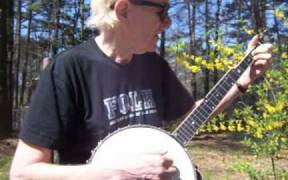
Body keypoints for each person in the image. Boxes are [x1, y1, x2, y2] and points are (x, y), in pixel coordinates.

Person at [10, 0, 273, 179]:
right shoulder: (68, 69)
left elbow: (193, 114)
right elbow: (22, 171)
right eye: (161, 11)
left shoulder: (153, 64)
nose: (168, 22)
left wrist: (242, 79)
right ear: (123, 10)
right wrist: (113, 171)